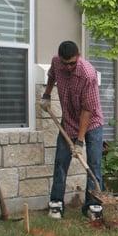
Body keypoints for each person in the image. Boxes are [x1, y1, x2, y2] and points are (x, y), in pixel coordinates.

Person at [40, 41, 105, 219]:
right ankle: (56, 204)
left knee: (94, 164)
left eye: (72, 63)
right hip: (68, 121)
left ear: (79, 56)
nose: (68, 67)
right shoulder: (57, 62)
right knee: (60, 162)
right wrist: (46, 95)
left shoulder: (87, 74)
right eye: (65, 63)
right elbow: (52, 76)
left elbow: (87, 110)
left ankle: (93, 206)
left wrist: (80, 141)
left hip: (91, 124)